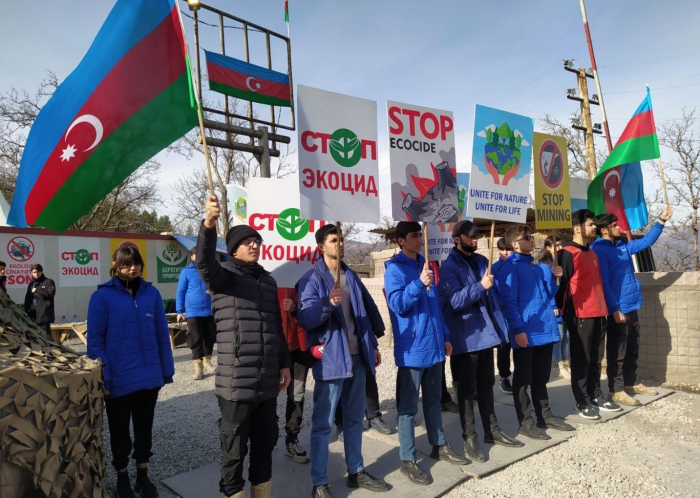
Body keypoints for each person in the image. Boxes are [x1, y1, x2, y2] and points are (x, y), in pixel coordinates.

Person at [196, 194, 292, 498]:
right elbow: (204, 262)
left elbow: (276, 326)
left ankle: (261, 492)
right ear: (234, 248)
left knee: (265, 444)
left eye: (257, 241)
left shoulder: (268, 281)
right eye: (247, 241)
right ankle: (232, 492)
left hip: (266, 381)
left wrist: (285, 363)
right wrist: (209, 224)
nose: (254, 245)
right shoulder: (224, 277)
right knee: (234, 447)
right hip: (236, 382)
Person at [297, 224, 390, 498]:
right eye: (334, 240)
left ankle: (356, 471)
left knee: (353, 419)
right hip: (331, 361)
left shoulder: (351, 275)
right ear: (320, 247)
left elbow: (366, 313)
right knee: (324, 424)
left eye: (342, 240)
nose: (340, 244)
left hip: (357, 358)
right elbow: (306, 318)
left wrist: (372, 344)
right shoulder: (311, 280)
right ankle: (320, 483)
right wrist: (328, 303)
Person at [87, 246, 175, 498]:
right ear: (115, 265)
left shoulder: (152, 294)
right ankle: (122, 478)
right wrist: (105, 377)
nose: (132, 268)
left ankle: (143, 477)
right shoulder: (101, 297)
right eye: (126, 264)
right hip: (118, 379)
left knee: (144, 430)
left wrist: (165, 372)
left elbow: (161, 334)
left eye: (135, 263)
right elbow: (95, 342)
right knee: (119, 433)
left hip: (148, 380)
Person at [384, 221, 467, 486]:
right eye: (413, 236)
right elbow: (397, 304)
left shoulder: (427, 264)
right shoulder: (394, 269)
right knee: (408, 408)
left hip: (433, 347)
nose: (419, 239)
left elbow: (435, 307)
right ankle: (407, 459)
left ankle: (439, 445)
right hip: (412, 349)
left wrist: (444, 336)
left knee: (433, 401)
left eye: (420, 235)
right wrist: (419, 284)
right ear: (400, 240)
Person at [439, 220, 522, 463]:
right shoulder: (448, 267)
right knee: (466, 392)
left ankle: (491, 430)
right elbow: (453, 301)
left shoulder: (481, 262)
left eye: (478, 236)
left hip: (487, 336)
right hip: (465, 339)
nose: (476, 240)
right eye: (471, 236)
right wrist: (479, 286)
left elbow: (492, 296)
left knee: (487, 386)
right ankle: (469, 437)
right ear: (457, 239)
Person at [496, 225, 574, 440]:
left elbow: (550, 294)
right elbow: (508, 303)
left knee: (541, 375)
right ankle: (525, 422)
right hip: (526, 331)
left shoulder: (538, 267)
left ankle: (545, 415)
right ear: (514, 244)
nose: (532, 240)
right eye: (527, 238)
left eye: (531, 237)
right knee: (522, 379)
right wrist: (518, 330)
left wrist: (554, 277)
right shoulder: (508, 269)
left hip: (544, 328)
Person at [592, 205, 673, 405]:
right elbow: (604, 282)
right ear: (604, 230)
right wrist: (615, 309)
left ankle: (630, 382)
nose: (619, 228)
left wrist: (661, 221)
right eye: (614, 225)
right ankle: (615, 389)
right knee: (617, 351)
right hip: (618, 308)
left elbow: (646, 242)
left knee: (632, 347)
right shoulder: (599, 251)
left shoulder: (621, 247)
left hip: (631, 305)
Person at [556, 209, 619, 420]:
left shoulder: (592, 253)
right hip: (580, 314)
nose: (594, 227)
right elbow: (562, 286)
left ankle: (595, 394)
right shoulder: (566, 253)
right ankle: (581, 400)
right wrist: (562, 311)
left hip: (599, 311)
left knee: (596, 357)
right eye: (590, 224)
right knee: (581, 358)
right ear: (577, 228)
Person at [280, 286, 314, 464]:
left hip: (299, 345)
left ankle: (291, 440)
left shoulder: (304, 277)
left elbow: (315, 307)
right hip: (272, 344)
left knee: (297, 393)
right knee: (265, 396)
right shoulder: (266, 273)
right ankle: (260, 442)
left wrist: (296, 308)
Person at [176, 247, 216, 381]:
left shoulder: (210, 270)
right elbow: (180, 292)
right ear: (191, 256)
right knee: (196, 337)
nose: (199, 257)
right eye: (196, 254)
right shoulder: (186, 272)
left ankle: (207, 361)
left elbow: (218, 285)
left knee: (209, 337)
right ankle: (198, 367)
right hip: (193, 310)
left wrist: (213, 291)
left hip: (209, 310)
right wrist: (179, 310)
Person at [535, 248, 571, 380]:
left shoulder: (557, 264)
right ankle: (560, 366)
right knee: (559, 336)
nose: (559, 247)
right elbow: (547, 289)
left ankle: (566, 364)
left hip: (563, 304)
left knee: (566, 336)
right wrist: (552, 304)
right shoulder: (545, 267)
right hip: (554, 306)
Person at [493, 238, 514, 395]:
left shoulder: (518, 266)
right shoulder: (494, 268)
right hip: (502, 313)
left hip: (519, 312)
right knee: (504, 347)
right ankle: (504, 377)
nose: (506, 252)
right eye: (502, 249)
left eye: (508, 249)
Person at [23, 264, 55, 335]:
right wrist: (26, 310)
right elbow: (27, 298)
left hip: (44, 314)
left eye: (38, 272)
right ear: (32, 273)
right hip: (32, 314)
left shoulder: (49, 282)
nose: (36, 274)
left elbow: (50, 294)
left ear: (42, 272)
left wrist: (37, 289)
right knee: (34, 336)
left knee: (46, 336)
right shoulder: (31, 284)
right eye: (34, 272)